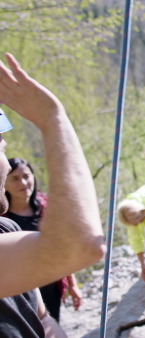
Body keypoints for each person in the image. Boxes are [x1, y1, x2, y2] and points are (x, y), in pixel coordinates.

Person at [0, 53, 105, 336]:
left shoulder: (6, 228)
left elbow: (43, 321)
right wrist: (52, 119)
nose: (5, 153)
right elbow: (82, 245)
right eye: (0, 148)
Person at [2, 157, 83, 323]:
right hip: (20, 287)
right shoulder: (3, 220)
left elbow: (62, 246)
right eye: (15, 179)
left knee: (52, 322)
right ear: (4, 183)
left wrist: (72, 284)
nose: (23, 183)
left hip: (52, 283)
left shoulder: (47, 207)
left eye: (27, 176)